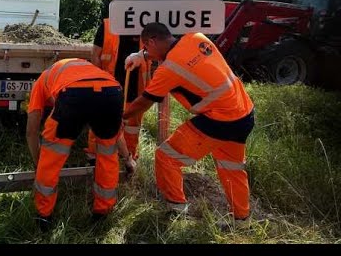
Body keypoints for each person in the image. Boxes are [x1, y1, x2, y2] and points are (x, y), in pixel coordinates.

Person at [123, 23, 255, 221]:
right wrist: (142, 56)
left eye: (146, 48)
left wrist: (120, 115)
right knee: (232, 168)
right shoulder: (196, 37)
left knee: (166, 157)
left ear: (152, 40)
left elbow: (144, 101)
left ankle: (176, 211)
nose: (146, 52)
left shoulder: (169, 70)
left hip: (219, 121)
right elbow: (178, 55)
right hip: (244, 113)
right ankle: (242, 220)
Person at [26, 58, 132, 229]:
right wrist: (128, 159)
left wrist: (38, 162)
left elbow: (31, 131)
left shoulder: (41, 82)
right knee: (107, 151)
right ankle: (102, 213)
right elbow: (116, 135)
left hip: (74, 93)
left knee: (52, 154)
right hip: (112, 91)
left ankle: (43, 217)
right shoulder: (87, 69)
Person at [88, 17, 149, 170]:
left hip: (135, 89)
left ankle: (128, 160)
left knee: (131, 128)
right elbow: (95, 54)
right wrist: (97, 83)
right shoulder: (108, 25)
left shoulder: (146, 24)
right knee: (102, 123)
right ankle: (95, 160)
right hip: (108, 87)